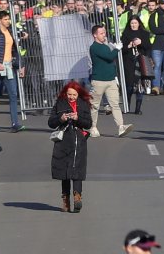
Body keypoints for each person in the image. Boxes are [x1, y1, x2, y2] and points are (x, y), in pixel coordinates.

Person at [48, 81, 93, 212]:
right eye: (69, 94)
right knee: (65, 172)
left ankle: (77, 197)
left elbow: (88, 123)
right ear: (65, 93)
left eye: (74, 94)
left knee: (77, 171)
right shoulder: (60, 103)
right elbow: (51, 122)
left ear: (78, 94)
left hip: (79, 140)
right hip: (63, 141)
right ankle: (65, 200)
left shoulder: (84, 104)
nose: (71, 97)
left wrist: (77, 118)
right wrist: (60, 118)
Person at [89, 25, 134, 138]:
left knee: (115, 104)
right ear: (95, 35)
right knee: (95, 106)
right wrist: (117, 49)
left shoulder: (106, 45)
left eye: (104, 32)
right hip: (98, 80)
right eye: (101, 33)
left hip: (110, 80)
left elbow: (111, 62)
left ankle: (120, 126)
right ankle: (93, 127)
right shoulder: (94, 47)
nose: (104, 35)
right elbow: (109, 57)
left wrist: (115, 76)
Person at [0, 11, 25, 133]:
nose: (8, 21)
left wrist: (20, 65)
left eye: (8, 19)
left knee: (13, 95)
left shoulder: (10, 33)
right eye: (6, 19)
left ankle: (15, 123)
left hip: (9, 67)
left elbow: (15, 51)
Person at [121, 16, 151, 115]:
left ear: (139, 23)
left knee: (140, 85)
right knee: (129, 85)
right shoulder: (125, 34)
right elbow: (121, 49)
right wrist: (129, 45)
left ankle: (138, 108)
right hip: (129, 61)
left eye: (135, 23)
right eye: (132, 23)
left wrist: (141, 42)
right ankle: (127, 106)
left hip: (141, 61)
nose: (133, 25)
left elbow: (148, 47)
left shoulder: (145, 34)